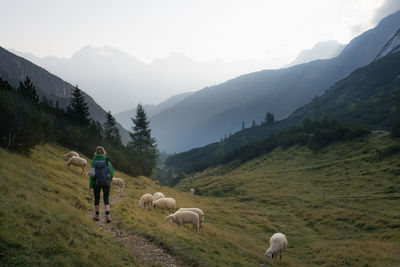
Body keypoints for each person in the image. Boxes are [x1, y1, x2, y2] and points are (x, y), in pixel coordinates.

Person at [90, 146, 114, 223]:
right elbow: (111, 171)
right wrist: (110, 180)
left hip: (96, 182)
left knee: (97, 199)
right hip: (106, 182)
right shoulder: (107, 160)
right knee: (106, 199)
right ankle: (108, 216)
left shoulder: (94, 160)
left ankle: (97, 216)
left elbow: (92, 173)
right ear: (104, 152)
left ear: (96, 152)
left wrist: (91, 184)